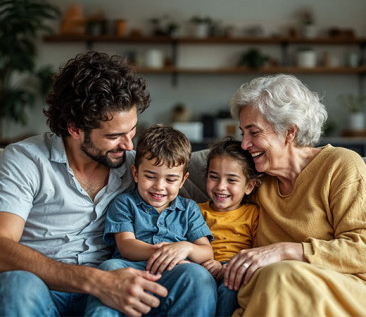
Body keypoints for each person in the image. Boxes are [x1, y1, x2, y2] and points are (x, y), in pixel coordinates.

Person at [0, 51, 168, 317]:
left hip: (113, 294)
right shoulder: (25, 161)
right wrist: (95, 281)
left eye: (132, 131)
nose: (128, 145)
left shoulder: (138, 168)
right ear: (75, 129)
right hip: (42, 291)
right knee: (18, 285)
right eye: (114, 136)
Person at [224, 73, 366, 316]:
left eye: (254, 132)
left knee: (280, 275)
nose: (245, 144)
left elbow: (362, 248)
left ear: (289, 132)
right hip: (272, 292)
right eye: (242, 133)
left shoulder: (340, 165)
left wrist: (285, 251)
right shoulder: (255, 181)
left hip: (343, 289)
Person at [85, 123, 217, 316]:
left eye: (170, 180)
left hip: (175, 271)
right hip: (131, 268)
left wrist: (184, 248)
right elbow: (126, 245)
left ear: (183, 180)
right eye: (150, 176)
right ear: (136, 173)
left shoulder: (189, 209)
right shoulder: (124, 203)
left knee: (198, 275)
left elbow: (207, 252)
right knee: (109, 268)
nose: (159, 187)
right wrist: (163, 251)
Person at [199, 137, 262, 317]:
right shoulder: (195, 211)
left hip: (235, 270)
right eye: (214, 177)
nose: (221, 186)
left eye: (231, 180)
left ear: (249, 186)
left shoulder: (253, 214)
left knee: (230, 288)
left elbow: (259, 249)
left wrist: (229, 267)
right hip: (202, 268)